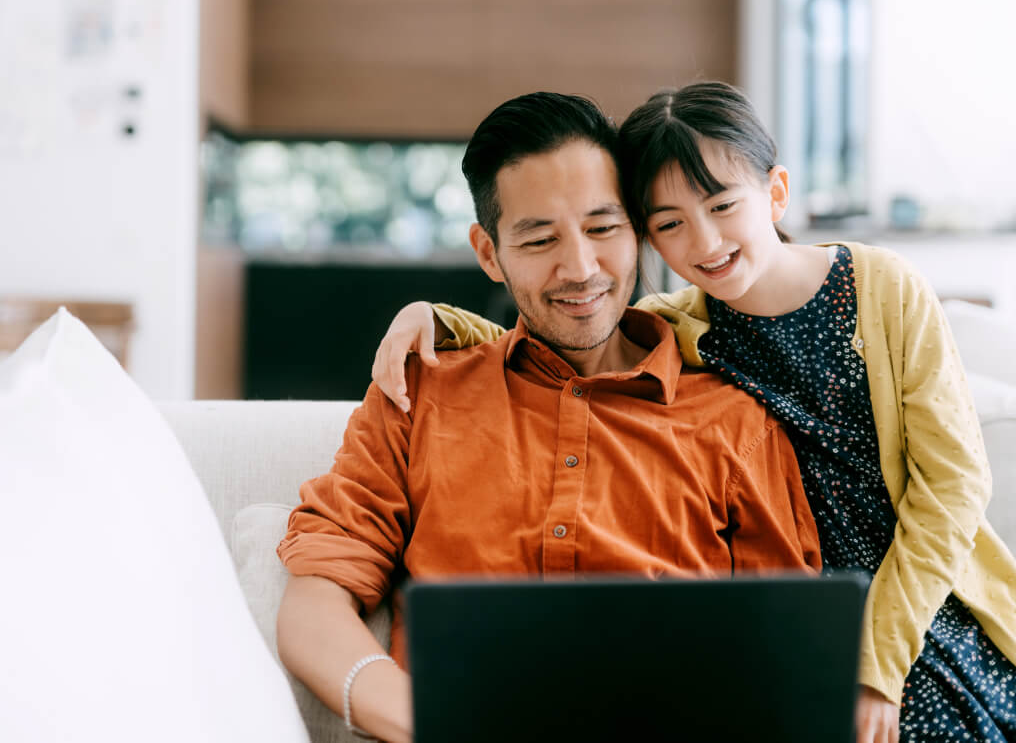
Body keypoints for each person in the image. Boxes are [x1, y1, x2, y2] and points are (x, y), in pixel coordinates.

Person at [370, 82, 1016, 743]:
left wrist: (876, 668)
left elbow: (955, 490)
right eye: (668, 223)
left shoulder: (881, 287)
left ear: (776, 191)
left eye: (722, 205)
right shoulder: (684, 326)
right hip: (804, 608)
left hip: (916, 603)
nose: (703, 241)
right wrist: (434, 318)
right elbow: (564, 330)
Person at [276, 91, 822, 743]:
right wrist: (425, 718)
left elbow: (787, 646)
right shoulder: (417, 397)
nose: (581, 269)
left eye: (602, 228)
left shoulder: (736, 420)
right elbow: (315, 599)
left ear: (639, 229)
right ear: (488, 253)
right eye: (539, 238)